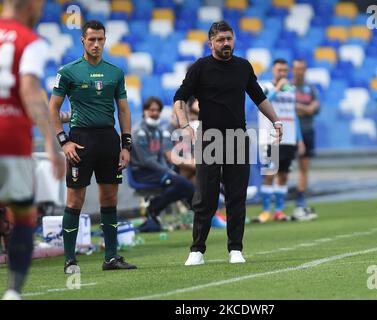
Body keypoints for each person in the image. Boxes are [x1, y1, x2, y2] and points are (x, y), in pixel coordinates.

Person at [173, 21, 282, 266]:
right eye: (220, 40)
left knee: (236, 196)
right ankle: (197, 250)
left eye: (229, 39)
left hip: (237, 138)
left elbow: (259, 97)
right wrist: (183, 125)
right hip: (210, 139)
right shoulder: (200, 67)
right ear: (210, 43)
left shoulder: (243, 67)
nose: (225, 44)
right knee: (206, 197)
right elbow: (180, 97)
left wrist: (276, 121)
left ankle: (235, 249)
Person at [48, 20, 136, 273]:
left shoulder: (115, 72)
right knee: (75, 200)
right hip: (81, 142)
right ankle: (69, 260)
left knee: (109, 199)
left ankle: (111, 258)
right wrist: (63, 141)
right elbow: (52, 108)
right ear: (82, 41)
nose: (96, 44)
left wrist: (126, 145)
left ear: (105, 40)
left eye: (100, 39)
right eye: (91, 39)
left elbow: (123, 110)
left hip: (109, 141)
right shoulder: (68, 72)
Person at [0, 0, 65, 300]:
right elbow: (28, 89)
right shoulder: (30, 41)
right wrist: (51, 144)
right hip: (10, 135)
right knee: (24, 213)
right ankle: (13, 291)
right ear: (31, 5)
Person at [130, 96, 195, 231]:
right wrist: (167, 172)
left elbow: (159, 157)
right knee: (183, 184)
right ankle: (197, 212)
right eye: (151, 110)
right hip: (143, 173)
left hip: (156, 171)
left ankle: (154, 207)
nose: (155, 113)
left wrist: (167, 171)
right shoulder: (138, 131)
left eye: (157, 110)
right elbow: (146, 160)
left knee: (182, 185)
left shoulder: (158, 131)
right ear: (144, 111)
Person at [257, 58, 304, 223]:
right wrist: (277, 87)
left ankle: (278, 210)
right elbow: (264, 102)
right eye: (279, 70)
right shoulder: (265, 87)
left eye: (285, 70)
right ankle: (264, 211)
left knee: (283, 175)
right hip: (270, 138)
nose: (283, 73)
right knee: (270, 173)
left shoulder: (291, 89)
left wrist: (300, 139)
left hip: (289, 138)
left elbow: (293, 115)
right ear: (273, 70)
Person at [291, 58, 320, 221]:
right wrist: (306, 108)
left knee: (304, 167)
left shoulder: (310, 88)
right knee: (281, 168)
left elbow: (317, 107)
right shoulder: (288, 87)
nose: (299, 71)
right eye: (296, 68)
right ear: (292, 69)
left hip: (307, 131)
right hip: (289, 132)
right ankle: (277, 203)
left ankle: (300, 200)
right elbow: (291, 107)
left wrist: (303, 109)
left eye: (302, 68)